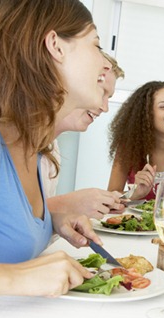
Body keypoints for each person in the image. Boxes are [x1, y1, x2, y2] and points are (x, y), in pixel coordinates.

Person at [0, 0, 107, 318]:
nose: (104, 64)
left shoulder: (31, 150)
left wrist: (51, 217)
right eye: (96, 44)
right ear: (55, 46)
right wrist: (17, 276)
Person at [44, 52, 127, 219]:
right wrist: (69, 204)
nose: (104, 108)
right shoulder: (6, 142)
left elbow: (34, 223)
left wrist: (81, 210)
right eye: (101, 92)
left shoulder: (52, 149)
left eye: (108, 98)